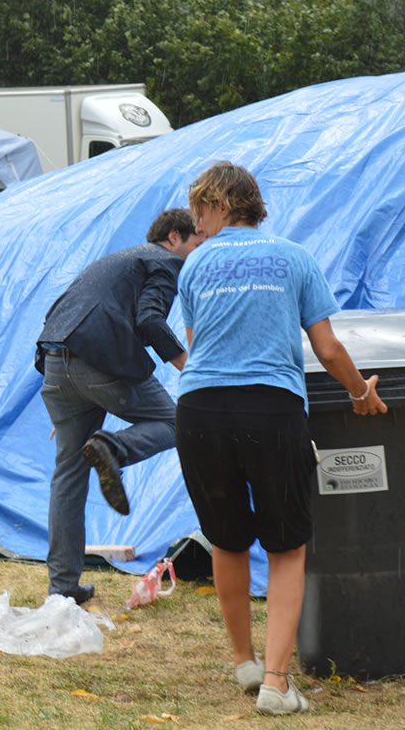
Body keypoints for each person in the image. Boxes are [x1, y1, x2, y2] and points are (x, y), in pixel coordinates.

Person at [176, 161, 387, 715]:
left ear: (220, 205)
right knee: (287, 546)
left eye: (201, 210)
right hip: (269, 408)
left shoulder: (195, 265)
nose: (199, 223)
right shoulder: (294, 258)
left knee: (227, 539)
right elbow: (329, 349)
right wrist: (359, 392)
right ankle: (275, 682)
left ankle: (245, 661)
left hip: (199, 409)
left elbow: (198, 349)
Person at [34, 208, 204, 605]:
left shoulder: (115, 261)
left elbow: (61, 311)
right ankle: (113, 447)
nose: (199, 252)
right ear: (174, 237)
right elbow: (149, 321)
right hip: (98, 360)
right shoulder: (164, 261)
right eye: (198, 242)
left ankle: (63, 588)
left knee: (68, 476)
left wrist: (69, 393)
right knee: (177, 422)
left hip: (56, 362)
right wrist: (188, 366)